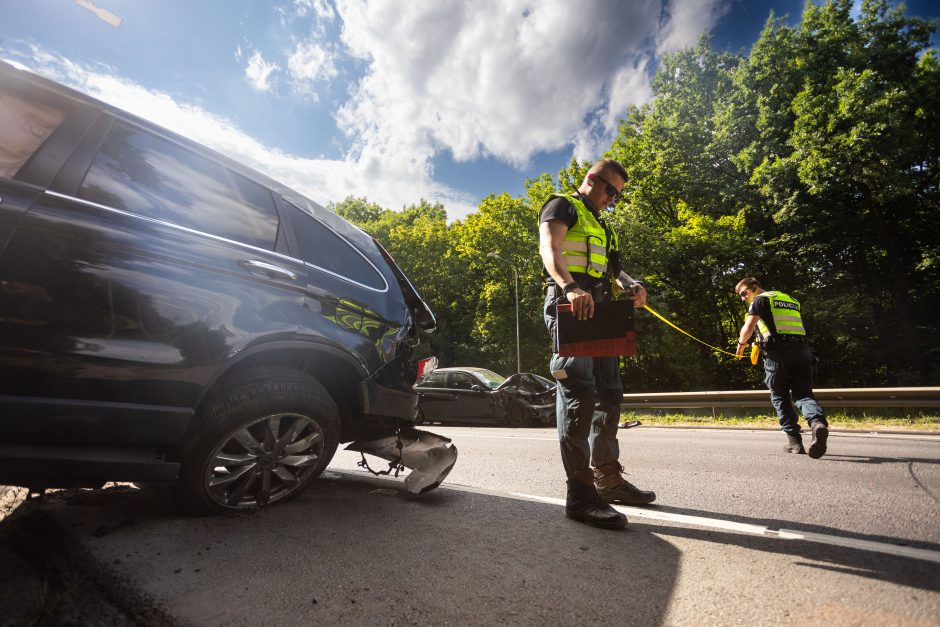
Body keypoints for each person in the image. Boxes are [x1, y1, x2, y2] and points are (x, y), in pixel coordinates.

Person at [538, 159, 656, 530]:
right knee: (579, 393)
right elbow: (550, 249)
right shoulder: (561, 206)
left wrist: (631, 285)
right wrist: (570, 287)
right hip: (571, 308)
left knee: (610, 393)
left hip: (603, 311)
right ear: (591, 180)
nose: (612, 200)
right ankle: (580, 494)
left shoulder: (604, 227)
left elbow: (613, 271)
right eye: (610, 191)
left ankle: (608, 479)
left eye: (618, 195)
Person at [734, 277, 829, 458]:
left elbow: (748, 328)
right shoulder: (790, 300)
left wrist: (740, 345)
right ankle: (818, 423)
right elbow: (782, 327)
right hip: (802, 351)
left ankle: (794, 442)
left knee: (780, 396)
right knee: (804, 393)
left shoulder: (760, 300)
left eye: (744, 293)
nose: (743, 298)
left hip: (778, 354)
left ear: (754, 288)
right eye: (740, 296)